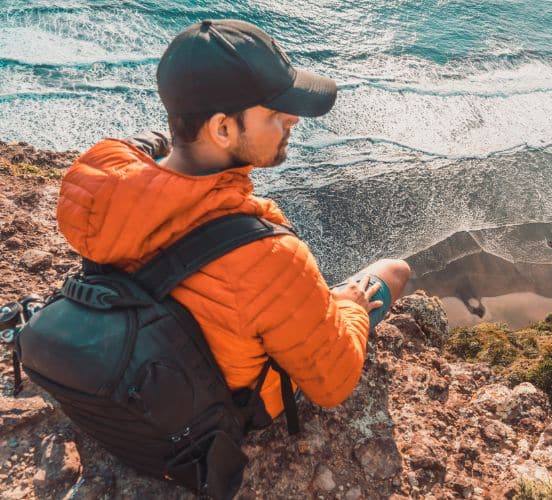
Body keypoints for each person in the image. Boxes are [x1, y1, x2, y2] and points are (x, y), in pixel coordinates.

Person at [56, 19, 410, 423]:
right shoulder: (270, 257)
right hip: (219, 411)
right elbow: (333, 385)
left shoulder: (95, 187)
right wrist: (352, 309)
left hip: (132, 370)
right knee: (393, 271)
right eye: (277, 112)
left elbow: (129, 150)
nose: (293, 120)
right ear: (222, 128)